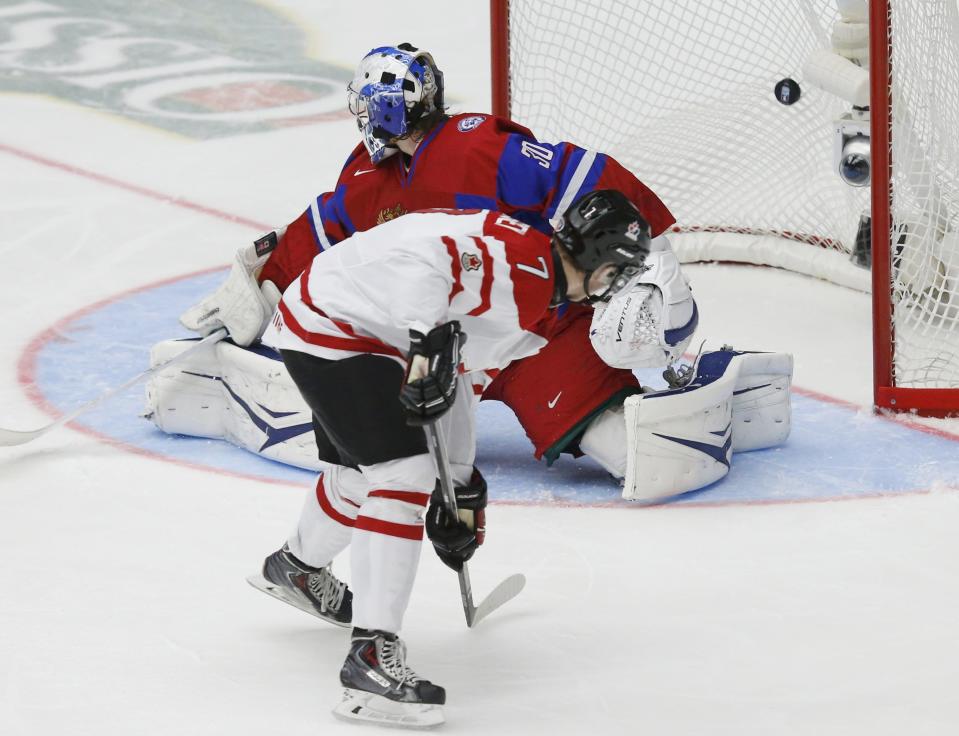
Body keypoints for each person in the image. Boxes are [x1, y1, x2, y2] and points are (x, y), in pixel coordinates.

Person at [174, 43, 700, 485]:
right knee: (373, 448)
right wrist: (260, 289)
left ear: (382, 110)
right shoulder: (368, 178)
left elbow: (588, 178)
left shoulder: (477, 148)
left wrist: (651, 270)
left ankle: (701, 393)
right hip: (434, 344)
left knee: (629, 451)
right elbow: (321, 232)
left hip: (533, 331)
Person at [251, 190, 653, 727]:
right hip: (339, 325)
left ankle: (295, 568)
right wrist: (426, 338)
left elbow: (461, 376)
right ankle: (369, 661)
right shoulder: (525, 270)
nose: (612, 286)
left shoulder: (538, 295)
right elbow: (427, 259)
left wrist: (460, 489)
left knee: (359, 476)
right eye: (615, 272)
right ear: (597, 259)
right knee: (402, 475)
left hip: (344, 319)